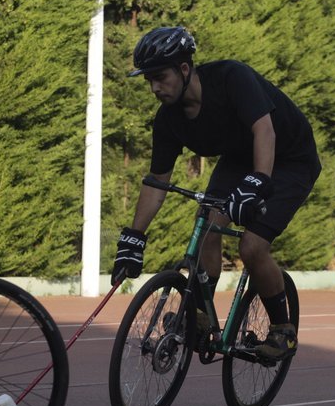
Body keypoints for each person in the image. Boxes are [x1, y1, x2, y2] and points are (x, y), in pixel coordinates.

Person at [111, 26, 322, 362]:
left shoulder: (231, 78)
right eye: (148, 80)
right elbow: (157, 182)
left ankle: (283, 329)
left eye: (160, 77)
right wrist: (134, 237)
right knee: (207, 225)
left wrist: (258, 182)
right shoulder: (168, 120)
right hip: (240, 159)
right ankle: (202, 316)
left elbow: (264, 130)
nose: (154, 88)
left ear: (183, 69)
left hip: (289, 159)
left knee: (251, 246)